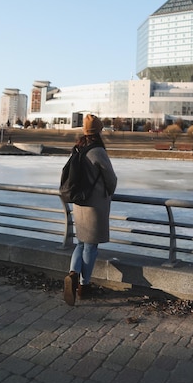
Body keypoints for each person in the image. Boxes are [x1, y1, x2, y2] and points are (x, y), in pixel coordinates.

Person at [63, 114, 117, 305]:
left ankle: (72, 274)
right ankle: (84, 286)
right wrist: (109, 192)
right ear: (99, 131)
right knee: (91, 245)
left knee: (81, 243)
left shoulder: (79, 147)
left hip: (79, 203)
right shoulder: (97, 152)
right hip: (94, 205)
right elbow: (110, 178)